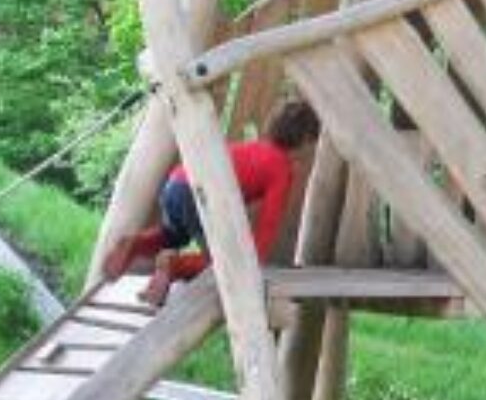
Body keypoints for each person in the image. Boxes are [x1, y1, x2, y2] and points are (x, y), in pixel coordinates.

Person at [101, 100, 322, 305]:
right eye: (313, 143)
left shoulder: (253, 148)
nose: (311, 150)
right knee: (225, 262)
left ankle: (135, 243)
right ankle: (174, 266)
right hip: (197, 195)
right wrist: (252, 265)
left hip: (176, 183)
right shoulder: (281, 168)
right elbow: (269, 222)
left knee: (173, 235)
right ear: (304, 139)